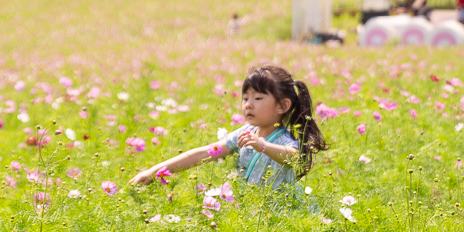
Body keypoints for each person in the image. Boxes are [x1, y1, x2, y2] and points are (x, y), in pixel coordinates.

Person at [129, 65, 326, 193]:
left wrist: (263, 146)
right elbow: (204, 153)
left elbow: (293, 157)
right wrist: (155, 171)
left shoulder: (283, 139)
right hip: (249, 212)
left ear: (282, 106)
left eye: (258, 98)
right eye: (245, 98)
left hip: (279, 217)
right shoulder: (245, 133)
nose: (248, 104)